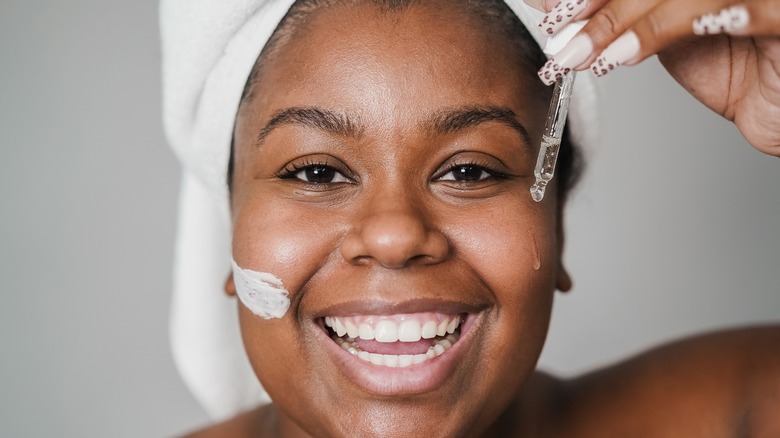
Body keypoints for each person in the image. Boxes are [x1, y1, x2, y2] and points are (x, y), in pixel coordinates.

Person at [159, 0, 780, 436]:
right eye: (316, 173)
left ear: (556, 223)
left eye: (470, 171)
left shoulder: (748, 409)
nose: (395, 235)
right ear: (231, 224)